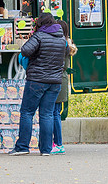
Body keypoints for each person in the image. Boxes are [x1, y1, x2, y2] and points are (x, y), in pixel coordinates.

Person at [9, 12, 67, 156]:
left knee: (27, 112)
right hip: (54, 82)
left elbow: (25, 50)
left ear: (40, 24)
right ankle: (46, 149)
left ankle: (22, 147)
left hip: (37, 81)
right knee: (47, 114)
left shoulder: (39, 36)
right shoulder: (61, 39)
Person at [52, 19, 77, 155]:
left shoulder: (61, 44)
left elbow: (63, 65)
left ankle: (58, 143)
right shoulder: (67, 43)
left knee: (54, 112)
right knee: (55, 112)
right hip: (62, 80)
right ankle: (57, 143)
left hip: (57, 79)